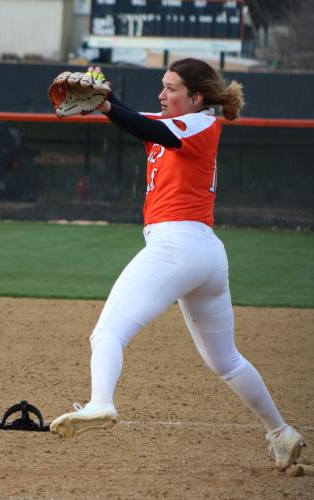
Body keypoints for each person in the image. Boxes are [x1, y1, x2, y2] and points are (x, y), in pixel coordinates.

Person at [49, 58, 306, 471]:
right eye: (162, 86)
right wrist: (108, 99)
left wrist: (108, 106)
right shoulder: (178, 122)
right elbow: (140, 119)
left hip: (177, 246)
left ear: (197, 97)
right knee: (226, 361)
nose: (162, 95)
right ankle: (280, 433)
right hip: (203, 254)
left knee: (107, 333)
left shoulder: (201, 124)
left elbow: (145, 126)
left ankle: (100, 402)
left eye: (171, 89)